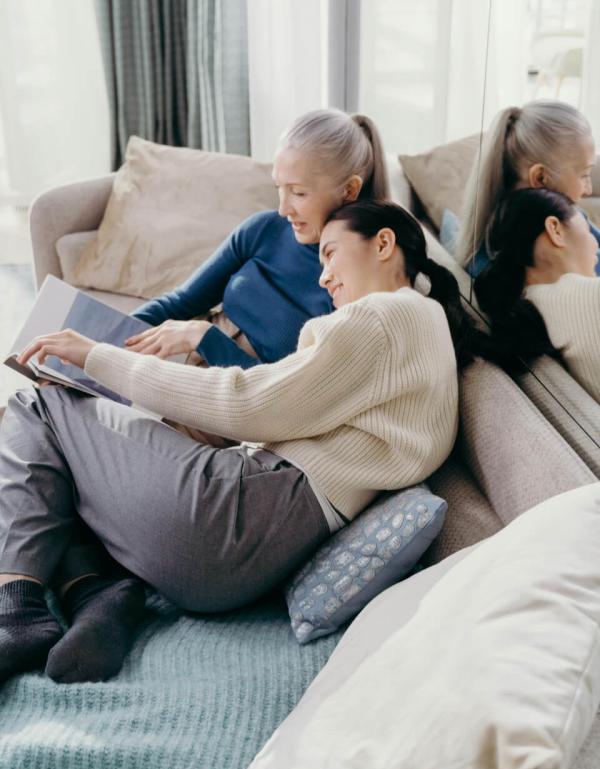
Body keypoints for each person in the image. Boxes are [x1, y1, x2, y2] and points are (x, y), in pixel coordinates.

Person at [0, 200, 480, 688]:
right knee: (72, 452)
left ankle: (15, 607)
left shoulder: (385, 315)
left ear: (383, 243)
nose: (324, 278)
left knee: (36, 404)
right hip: (246, 563)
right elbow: (278, 416)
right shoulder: (422, 328)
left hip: (233, 515)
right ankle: (93, 592)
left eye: (331, 254)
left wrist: (96, 357)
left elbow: (250, 403)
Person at [124, 108, 390, 370]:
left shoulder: (355, 284)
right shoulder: (264, 229)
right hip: (184, 372)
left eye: (298, 193)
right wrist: (107, 336)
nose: (283, 209)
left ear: (350, 189)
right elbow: (179, 303)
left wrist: (204, 337)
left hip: (237, 400)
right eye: (280, 188)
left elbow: (286, 396)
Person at [473, 187, 600, 403]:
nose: (595, 244)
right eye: (588, 230)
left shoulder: (526, 312)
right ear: (555, 230)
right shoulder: (591, 297)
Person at [455, 100, 600, 277]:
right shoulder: (500, 272)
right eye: (584, 175)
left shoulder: (572, 218)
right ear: (540, 178)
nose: (588, 189)